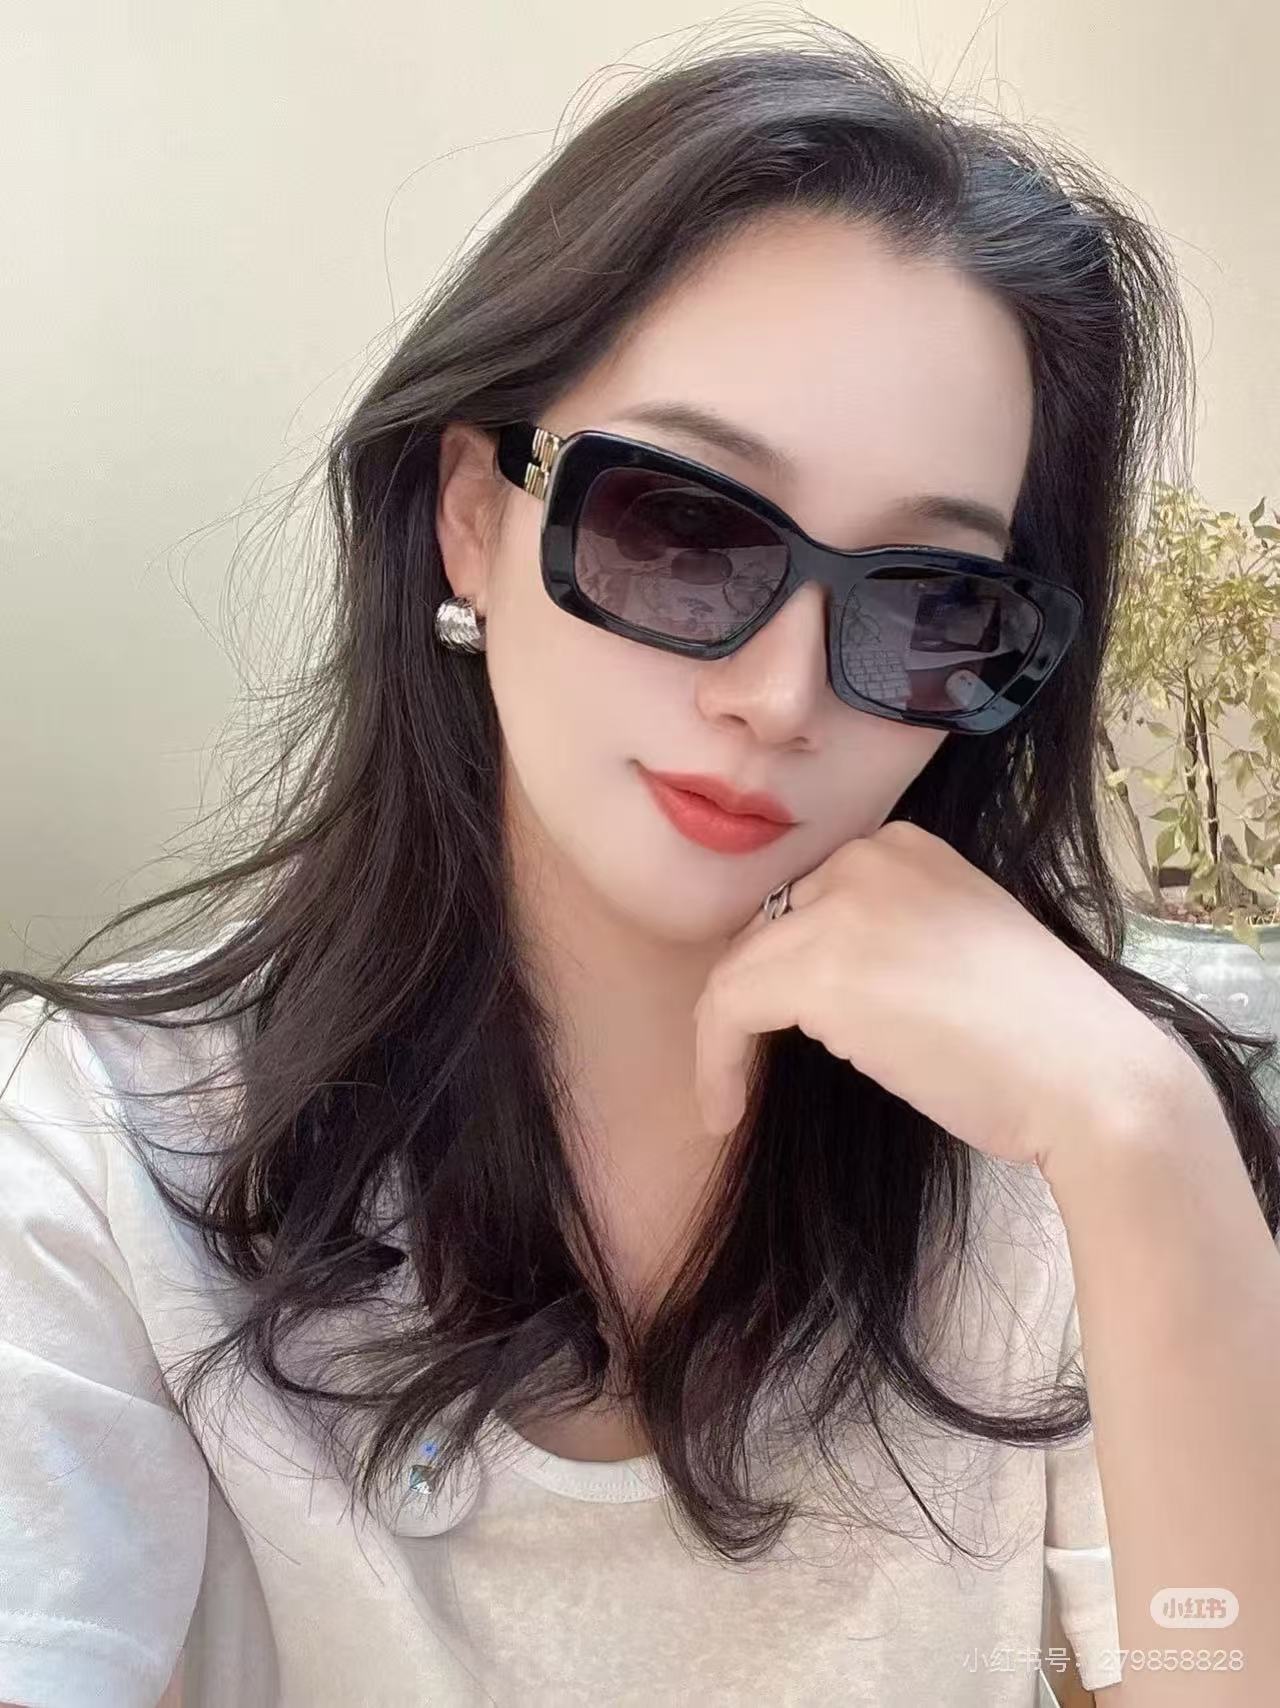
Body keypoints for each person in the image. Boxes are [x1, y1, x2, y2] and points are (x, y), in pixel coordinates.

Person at [2, 24, 1278, 1708]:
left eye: (927, 600)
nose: (782, 695)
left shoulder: (1060, 1147)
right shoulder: (109, 1155)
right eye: (682, 527)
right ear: (474, 518)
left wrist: (1153, 1146)